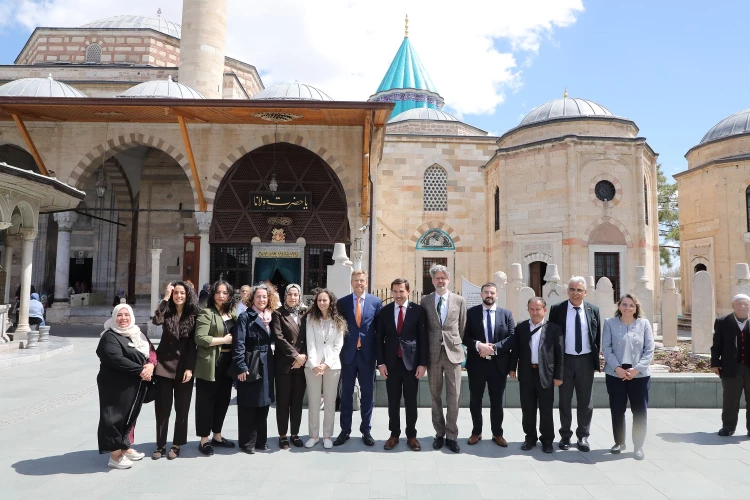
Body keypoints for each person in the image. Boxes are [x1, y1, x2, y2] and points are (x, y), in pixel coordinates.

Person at [96, 304, 156, 469]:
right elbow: (115, 358)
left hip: (134, 385)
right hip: (115, 386)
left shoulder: (137, 333)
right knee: (114, 417)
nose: (123, 318)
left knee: (129, 416)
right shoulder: (109, 336)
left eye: (126, 315)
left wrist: (150, 365)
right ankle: (115, 456)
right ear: (114, 317)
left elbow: (151, 351)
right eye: (119, 315)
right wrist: (140, 370)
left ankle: (124, 447)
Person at [548, 276, 601, 452]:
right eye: (572, 289)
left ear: (585, 292)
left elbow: (596, 338)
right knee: (564, 400)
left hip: (585, 360)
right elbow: (551, 338)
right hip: (565, 361)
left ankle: (583, 436)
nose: (575, 293)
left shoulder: (593, 310)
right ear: (567, 291)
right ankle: (565, 436)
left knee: (585, 401)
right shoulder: (557, 310)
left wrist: (594, 362)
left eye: (579, 290)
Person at [150, 281, 200, 460]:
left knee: (182, 409)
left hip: (184, 368)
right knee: (162, 408)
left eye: (182, 293)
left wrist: (190, 368)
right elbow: (156, 320)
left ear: (188, 295)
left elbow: (194, 344)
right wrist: (164, 298)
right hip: (164, 366)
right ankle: (160, 444)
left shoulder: (193, 314)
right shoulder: (167, 310)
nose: (179, 296)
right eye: (176, 293)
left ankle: (177, 444)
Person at [376, 278, 428, 451]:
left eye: (401, 291)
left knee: (411, 401)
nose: (398, 295)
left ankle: (411, 435)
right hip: (391, 364)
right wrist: (381, 363)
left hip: (411, 364)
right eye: (395, 291)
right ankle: (394, 435)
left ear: (408, 292)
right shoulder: (384, 311)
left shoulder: (418, 311)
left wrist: (423, 364)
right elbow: (379, 339)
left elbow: (423, 339)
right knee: (393, 401)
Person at [420, 264, 467, 453]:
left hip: (453, 353)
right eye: (437, 278)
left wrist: (454, 342)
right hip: (433, 354)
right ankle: (439, 433)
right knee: (435, 395)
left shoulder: (459, 300)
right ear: (432, 280)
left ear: (448, 280)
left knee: (454, 396)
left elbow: (462, 326)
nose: (440, 281)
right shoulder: (425, 301)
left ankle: (452, 435)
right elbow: (424, 327)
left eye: (443, 278)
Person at [463, 282, 516, 447]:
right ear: (481, 295)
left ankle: (497, 433)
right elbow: (464, 336)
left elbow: (512, 337)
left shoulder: (506, 314)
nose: (489, 295)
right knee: (475, 400)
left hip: (498, 365)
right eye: (486, 292)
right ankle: (476, 432)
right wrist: (479, 345)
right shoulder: (471, 313)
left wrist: (493, 348)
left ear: (496, 295)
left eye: (492, 292)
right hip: (476, 364)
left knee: (497, 401)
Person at [602, 293, 654, 460]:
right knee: (617, 410)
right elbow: (606, 348)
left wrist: (636, 369)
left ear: (636, 307)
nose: (627, 308)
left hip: (639, 374)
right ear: (619, 306)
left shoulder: (644, 324)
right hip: (615, 373)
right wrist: (617, 368)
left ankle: (638, 446)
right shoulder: (609, 323)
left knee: (639, 412)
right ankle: (619, 442)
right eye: (624, 304)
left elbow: (649, 350)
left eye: (631, 305)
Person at [334, 270, 382, 447]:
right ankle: (345, 430)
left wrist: (379, 357)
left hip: (367, 356)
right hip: (348, 355)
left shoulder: (376, 302)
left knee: (367, 394)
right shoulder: (343, 302)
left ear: (366, 282)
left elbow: (379, 331)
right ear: (351, 282)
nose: (359, 283)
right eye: (356, 280)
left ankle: (366, 430)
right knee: (346, 394)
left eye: (362, 280)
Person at [510, 297, 563, 453]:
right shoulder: (521, 327)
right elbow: (516, 349)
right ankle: (530, 438)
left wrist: (559, 375)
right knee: (528, 408)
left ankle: (547, 440)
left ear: (544, 310)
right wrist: (512, 368)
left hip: (546, 374)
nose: (535, 312)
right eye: (531, 309)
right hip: (526, 373)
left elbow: (559, 353)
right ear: (528, 310)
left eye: (538, 309)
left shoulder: (554, 328)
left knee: (546, 409)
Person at [231, 284, 276, 453]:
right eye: (258, 296)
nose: (261, 300)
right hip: (250, 362)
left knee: (264, 403)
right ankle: (247, 442)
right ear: (252, 298)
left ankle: (260, 441)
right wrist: (241, 366)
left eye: (264, 297)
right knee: (248, 404)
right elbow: (239, 343)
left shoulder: (271, 316)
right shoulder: (245, 317)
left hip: (267, 363)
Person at [193, 280, 236, 456]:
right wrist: (223, 340)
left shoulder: (232, 313)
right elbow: (200, 338)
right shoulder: (206, 313)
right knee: (206, 401)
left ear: (230, 295)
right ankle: (204, 439)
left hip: (228, 362)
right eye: (218, 292)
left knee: (223, 399)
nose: (221, 296)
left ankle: (217, 435)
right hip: (210, 362)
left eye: (225, 293)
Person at [304, 288, 346, 448]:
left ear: (330, 302)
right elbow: (310, 343)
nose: (321, 303)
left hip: (332, 366)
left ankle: (327, 435)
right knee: (314, 401)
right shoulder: (310, 319)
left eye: (324, 300)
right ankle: (314, 435)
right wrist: (314, 364)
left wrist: (326, 364)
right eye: (319, 300)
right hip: (312, 366)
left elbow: (338, 345)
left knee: (330, 401)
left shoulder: (338, 320)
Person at [272, 283, 308, 449]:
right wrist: (296, 355)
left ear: (299, 296)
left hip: (301, 365)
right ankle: (283, 435)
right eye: (290, 294)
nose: (293, 297)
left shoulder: (305, 313)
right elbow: (279, 337)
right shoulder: (278, 313)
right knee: (283, 401)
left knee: (297, 401)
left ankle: (295, 433)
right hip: (284, 365)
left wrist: (303, 357)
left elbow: (309, 337)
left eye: (296, 294)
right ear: (285, 295)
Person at [711, 294, 750, 437]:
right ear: (733, 306)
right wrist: (715, 363)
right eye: (739, 303)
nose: (742, 306)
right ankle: (728, 427)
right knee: (730, 400)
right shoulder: (722, 322)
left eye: (745, 304)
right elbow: (716, 345)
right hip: (731, 367)